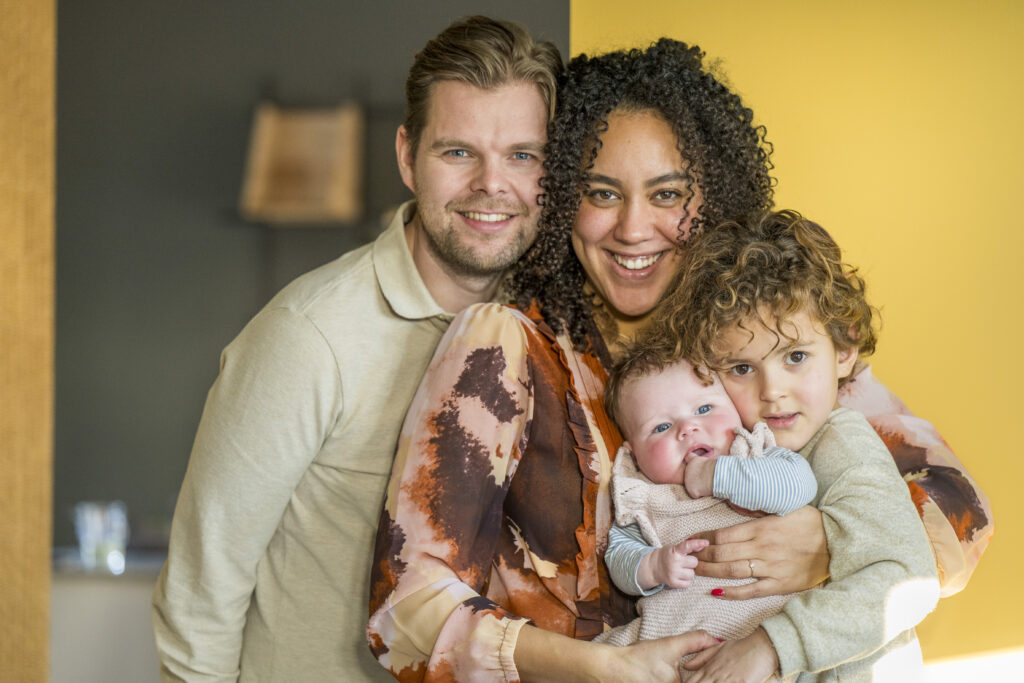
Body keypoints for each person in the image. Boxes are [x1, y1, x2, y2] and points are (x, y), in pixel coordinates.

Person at [368, 39, 992, 682]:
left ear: (714, 197)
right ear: (558, 199)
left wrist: (826, 545)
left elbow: (958, 508)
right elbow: (405, 610)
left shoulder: (756, 340)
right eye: (602, 193)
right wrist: (601, 668)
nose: (634, 229)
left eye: (668, 195)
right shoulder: (507, 349)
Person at [151, 16, 562, 682]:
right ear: (407, 156)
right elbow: (201, 592)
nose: (493, 183)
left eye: (523, 154)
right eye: (458, 152)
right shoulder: (308, 336)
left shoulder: (553, 331)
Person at [603, 210, 942, 680]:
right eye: (741, 368)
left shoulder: (840, 442)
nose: (772, 391)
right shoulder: (726, 446)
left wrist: (771, 645)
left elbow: (907, 580)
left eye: (796, 357)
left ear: (844, 351)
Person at [598, 354, 817, 650]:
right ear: (634, 454)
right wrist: (653, 565)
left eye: (704, 408)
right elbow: (619, 556)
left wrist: (715, 475)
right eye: (661, 427)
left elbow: (798, 487)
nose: (687, 428)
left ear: (736, 410)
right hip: (676, 639)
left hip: (776, 633)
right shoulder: (642, 496)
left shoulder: (755, 454)